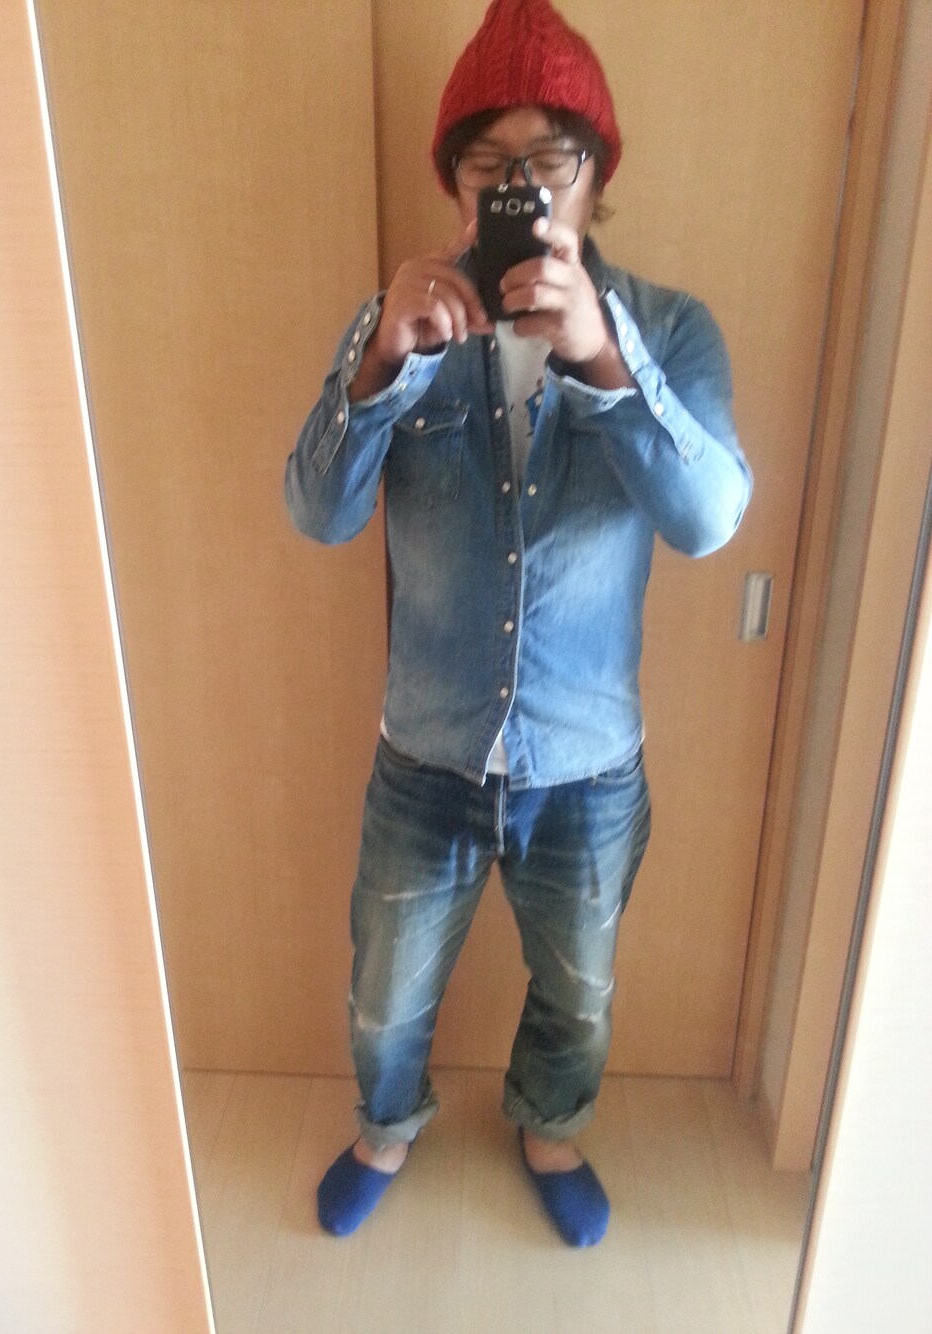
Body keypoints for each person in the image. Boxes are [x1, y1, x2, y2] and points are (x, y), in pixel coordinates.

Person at [285, 0, 751, 1247]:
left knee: (579, 987)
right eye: (488, 162)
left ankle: (550, 1124)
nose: (521, 186)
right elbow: (316, 513)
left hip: (587, 760)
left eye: (550, 157)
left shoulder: (669, 329)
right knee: (384, 992)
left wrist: (604, 362)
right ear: (454, 182)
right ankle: (386, 1124)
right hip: (425, 752)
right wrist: (379, 367)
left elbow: (710, 517)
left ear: (595, 172)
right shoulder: (401, 321)